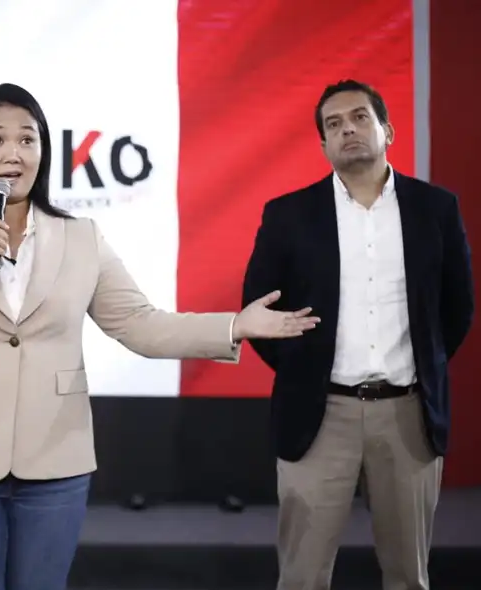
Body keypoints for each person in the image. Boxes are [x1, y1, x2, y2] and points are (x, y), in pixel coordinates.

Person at [0, 82, 320, 590]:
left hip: (53, 464)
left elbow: (140, 324)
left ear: (44, 154)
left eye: (28, 139)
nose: (13, 153)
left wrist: (233, 325)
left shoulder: (80, 236)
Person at [241, 79, 474, 590]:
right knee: (301, 577)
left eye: (360, 117)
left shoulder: (436, 209)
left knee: (408, 577)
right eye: (334, 124)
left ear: (387, 130)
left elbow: (456, 311)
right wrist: (307, 368)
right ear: (323, 144)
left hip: (408, 415)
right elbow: (259, 313)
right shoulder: (288, 215)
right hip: (320, 415)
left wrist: (419, 368)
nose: (348, 128)